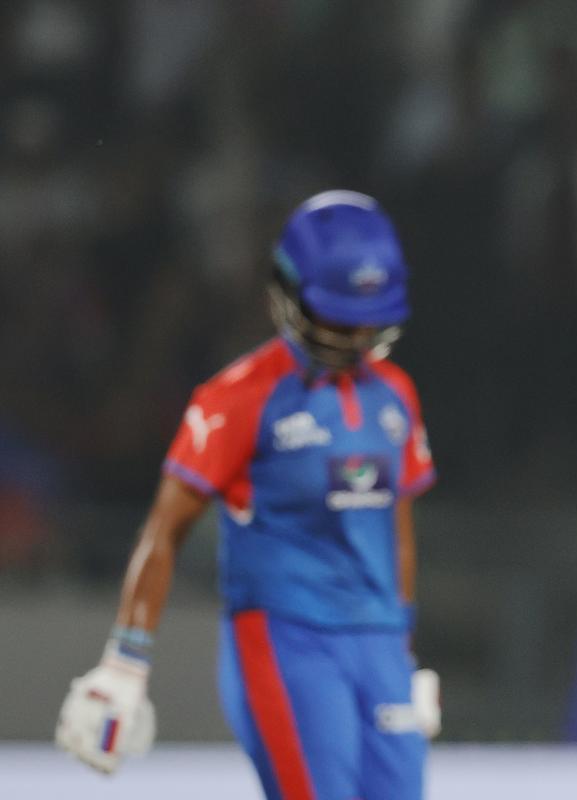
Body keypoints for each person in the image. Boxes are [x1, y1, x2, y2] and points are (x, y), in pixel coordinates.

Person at [56, 190, 441, 800]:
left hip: (378, 641)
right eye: (339, 317)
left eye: (365, 318)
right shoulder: (235, 399)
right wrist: (125, 664)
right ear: (288, 294)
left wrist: (403, 645)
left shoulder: (396, 394)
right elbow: (164, 530)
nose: (356, 334)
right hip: (289, 638)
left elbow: (395, 528)